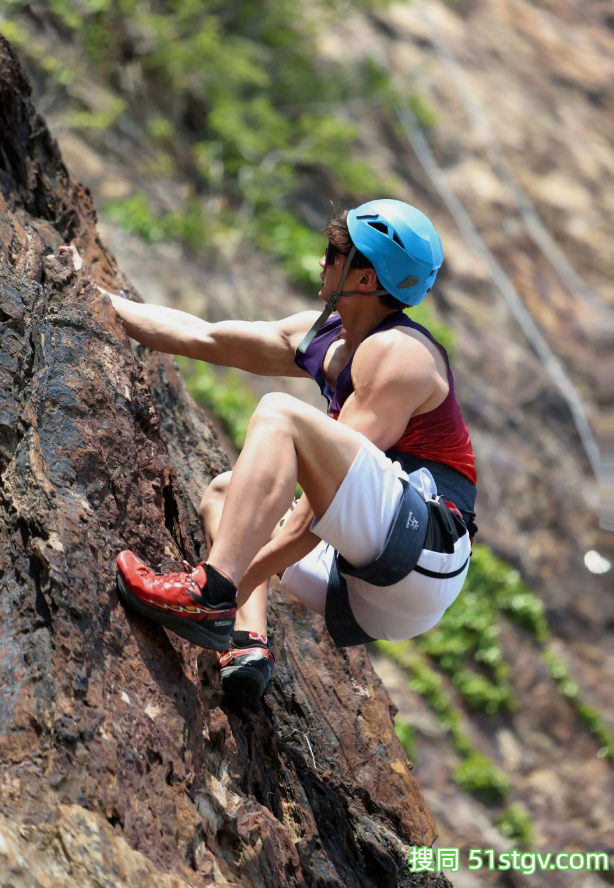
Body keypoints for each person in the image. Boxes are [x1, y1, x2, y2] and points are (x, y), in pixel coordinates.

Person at [60, 199, 476, 703]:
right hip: (368, 586)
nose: (323, 261)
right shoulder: (326, 335)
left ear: (366, 279)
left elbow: (317, 513)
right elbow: (202, 336)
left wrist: (231, 587)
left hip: (424, 554)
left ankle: (210, 594)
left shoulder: (399, 357)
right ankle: (246, 643)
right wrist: (90, 292)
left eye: (335, 251)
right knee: (224, 495)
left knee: (280, 414)